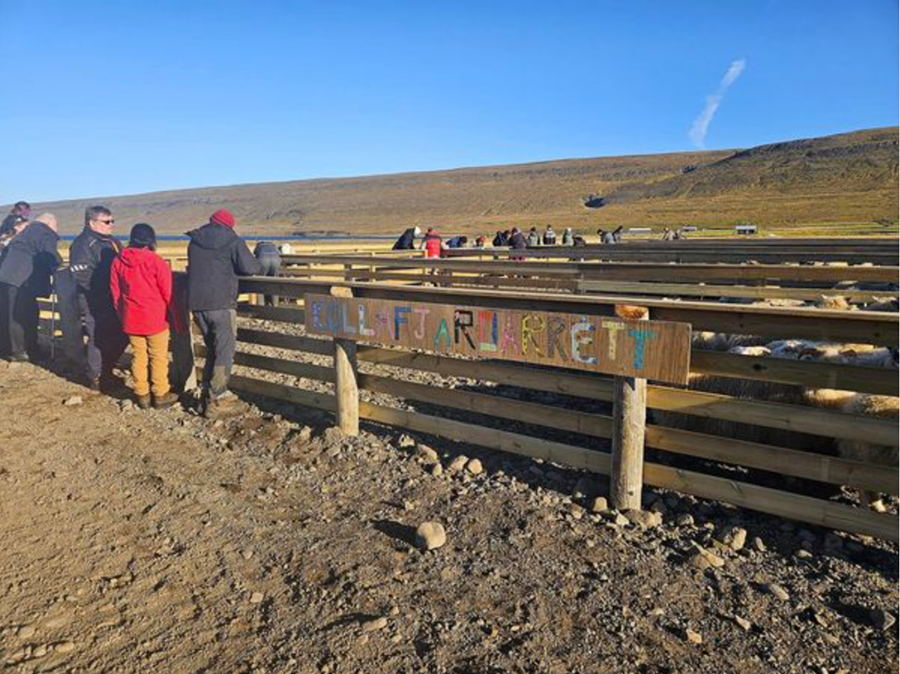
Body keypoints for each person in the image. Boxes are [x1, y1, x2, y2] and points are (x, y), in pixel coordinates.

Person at [187, 209, 261, 414]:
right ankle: (217, 397)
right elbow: (250, 267)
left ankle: (207, 395)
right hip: (221, 303)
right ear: (230, 225)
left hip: (198, 304)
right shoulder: (232, 240)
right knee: (224, 351)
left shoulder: (195, 240)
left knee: (213, 349)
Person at [109, 224, 178, 409]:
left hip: (131, 317)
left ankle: (141, 394)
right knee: (158, 356)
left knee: (138, 356)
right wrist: (175, 316)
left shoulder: (118, 261)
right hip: (155, 317)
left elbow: (115, 292)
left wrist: (121, 313)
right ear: (150, 239)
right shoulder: (156, 261)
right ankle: (161, 393)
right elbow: (168, 292)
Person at [70, 205, 129, 390]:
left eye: (112, 221)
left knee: (121, 334)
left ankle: (107, 370)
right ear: (92, 222)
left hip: (115, 298)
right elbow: (81, 274)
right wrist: (102, 292)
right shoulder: (82, 244)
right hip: (94, 300)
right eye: (106, 222)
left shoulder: (113, 241)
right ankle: (95, 377)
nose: (111, 225)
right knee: (97, 337)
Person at [0, 214, 61, 362]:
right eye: (56, 226)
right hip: (21, 280)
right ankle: (19, 351)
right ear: (50, 224)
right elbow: (50, 255)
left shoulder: (26, 233)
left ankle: (12, 348)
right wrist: (57, 267)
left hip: (9, 278)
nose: (57, 230)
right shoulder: (44, 232)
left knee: (12, 314)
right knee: (22, 315)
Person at [253, 241, 281, 306]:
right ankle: (275, 306)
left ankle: (261, 305)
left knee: (260, 283)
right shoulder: (274, 246)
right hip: (276, 261)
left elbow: (255, 256)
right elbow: (280, 255)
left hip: (263, 260)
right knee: (274, 283)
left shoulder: (258, 246)